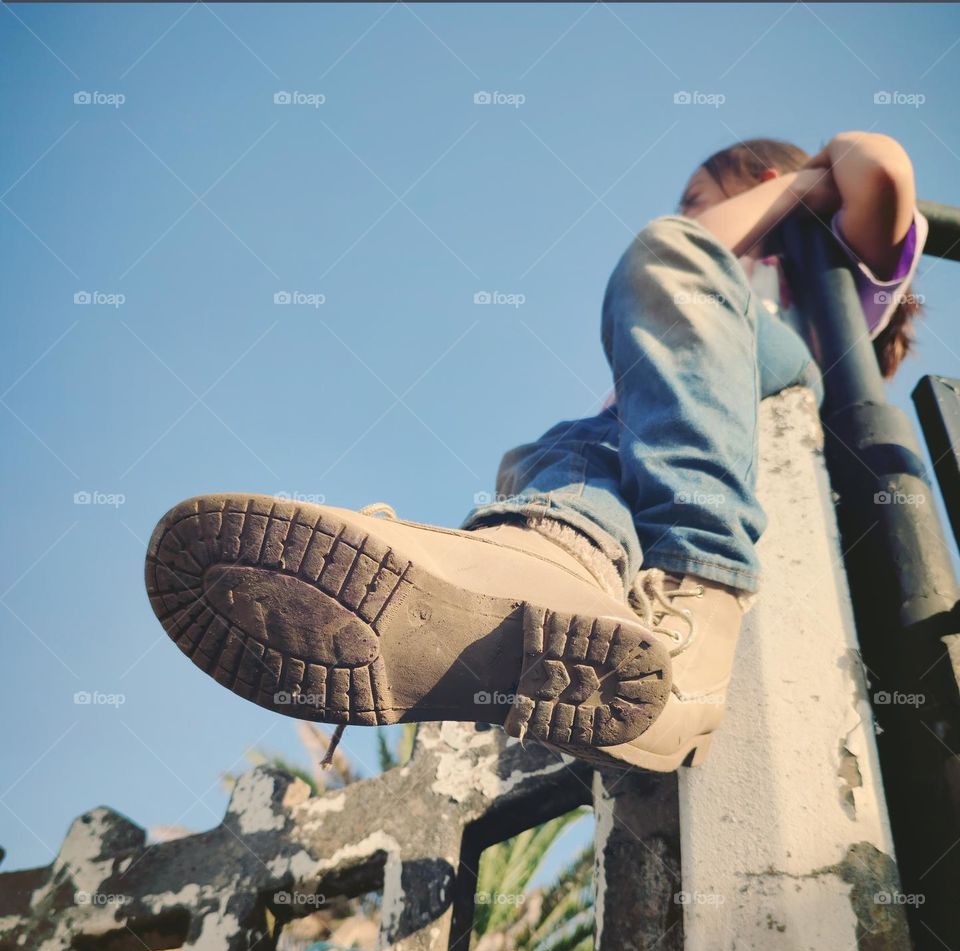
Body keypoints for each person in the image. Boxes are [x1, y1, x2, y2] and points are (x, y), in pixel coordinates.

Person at [145, 132, 927, 773]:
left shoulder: (820, 278)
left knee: (667, 256)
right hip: (630, 450)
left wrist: (798, 186)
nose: (686, 213)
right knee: (563, 454)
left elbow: (879, 164)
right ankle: (549, 560)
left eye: (697, 194)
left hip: (758, 402)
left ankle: (701, 589)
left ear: (759, 180)